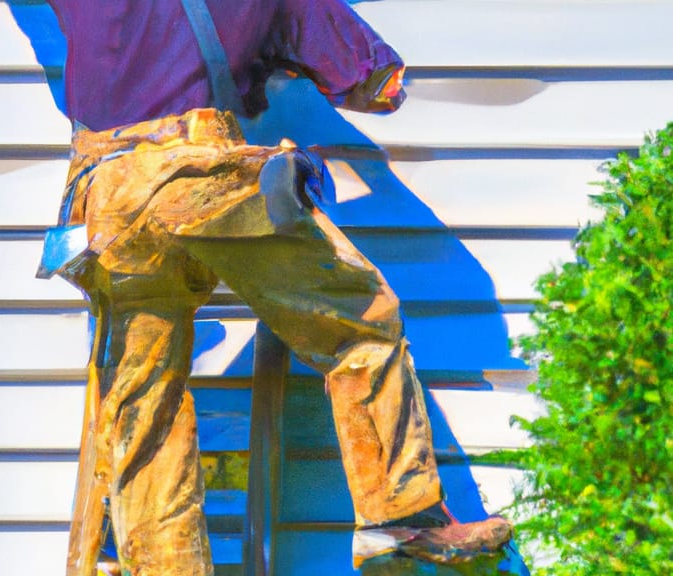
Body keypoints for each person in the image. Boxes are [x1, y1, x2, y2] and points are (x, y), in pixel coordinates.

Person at [35, 1, 512, 575]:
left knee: (145, 399)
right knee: (359, 321)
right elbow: (380, 87)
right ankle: (399, 518)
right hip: (195, 175)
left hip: (103, 197)